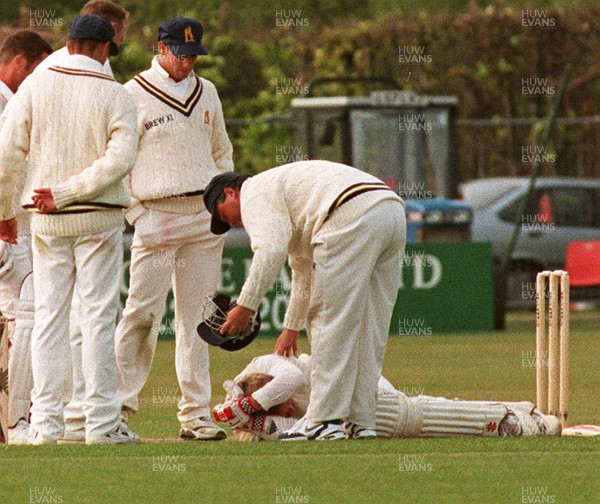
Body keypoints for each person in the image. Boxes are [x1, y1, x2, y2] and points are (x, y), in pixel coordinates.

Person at [0, 14, 138, 445]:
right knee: (97, 318)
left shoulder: (35, 86)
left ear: (70, 42)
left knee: (49, 320)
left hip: (45, 218)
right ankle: (99, 426)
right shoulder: (115, 93)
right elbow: (119, 161)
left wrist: (5, 209)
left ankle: (45, 427)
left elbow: (8, 152)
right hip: (97, 217)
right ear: (101, 49)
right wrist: (70, 191)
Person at [203, 160, 407, 440]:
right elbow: (301, 270)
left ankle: (325, 420)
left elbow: (270, 251)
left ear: (231, 192)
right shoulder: (285, 197)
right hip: (389, 210)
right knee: (369, 329)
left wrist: (245, 306)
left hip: (346, 214)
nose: (231, 223)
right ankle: (361, 422)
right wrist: (290, 328)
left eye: (223, 215)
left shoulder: (254, 192)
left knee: (327, 321)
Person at [114, 17, 233, 441]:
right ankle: (117, 411)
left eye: (192, 55)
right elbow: (118, 160)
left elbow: (222, 151)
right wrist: (136, 214)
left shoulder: (209, 92)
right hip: (157, 214)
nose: (186, 62)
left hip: (203, 214)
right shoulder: (131, 93)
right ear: (161, 49)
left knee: (198, 319)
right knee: (142, 315)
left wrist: (222, 204)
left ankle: (195, 414)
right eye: (179, 54)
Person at [212, 353, 562, 441]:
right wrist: (247, 419)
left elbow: (288, 379)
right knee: (424, 409)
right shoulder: (288, 412)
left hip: (362, 385)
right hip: (362, 402)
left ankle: (512, 422)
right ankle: (519, 410)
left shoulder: (267, 365)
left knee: (410, 414)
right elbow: (287, 432)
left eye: (283, 405)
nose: (289, 411)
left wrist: (244, 406)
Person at [0, 29, 52, 445]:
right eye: (36, 70)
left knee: (16, 320)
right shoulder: (9, 103)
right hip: (9, 228)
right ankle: (15, 422)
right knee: (25, 316)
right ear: (20, 62)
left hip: (14, 224)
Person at [34, 0, 128, 78]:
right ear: (114, 28)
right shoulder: (99, 66)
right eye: (121, 38)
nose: (121, 42)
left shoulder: (52, 61)